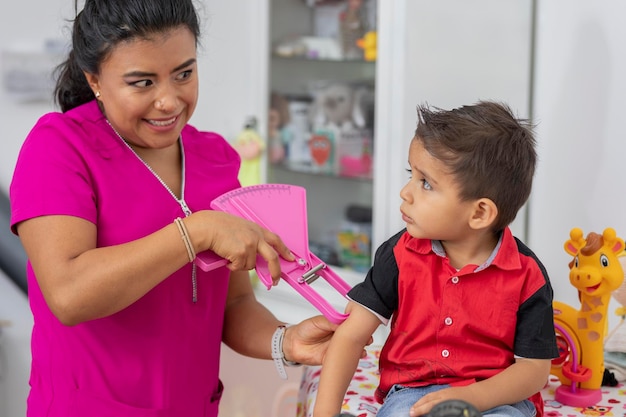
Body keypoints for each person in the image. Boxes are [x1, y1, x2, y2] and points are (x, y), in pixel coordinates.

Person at [9, 1, 341, 416]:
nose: (168, 101)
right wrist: (195, 233)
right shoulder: (58, 148)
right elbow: (69, 293)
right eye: (142, 82)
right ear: (95, 79)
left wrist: (286, 341)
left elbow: (233, 305)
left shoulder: (214, 159)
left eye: (183, 73)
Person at [313, 102, 559, 417]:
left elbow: (535, 371)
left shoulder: (528, 275)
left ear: (480, 212)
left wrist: (474, 397)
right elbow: (350, 335)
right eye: (411, 175)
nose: (406, 192)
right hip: (413, 395)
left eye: (426, 183)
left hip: (497, 399)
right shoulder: (399, 255)